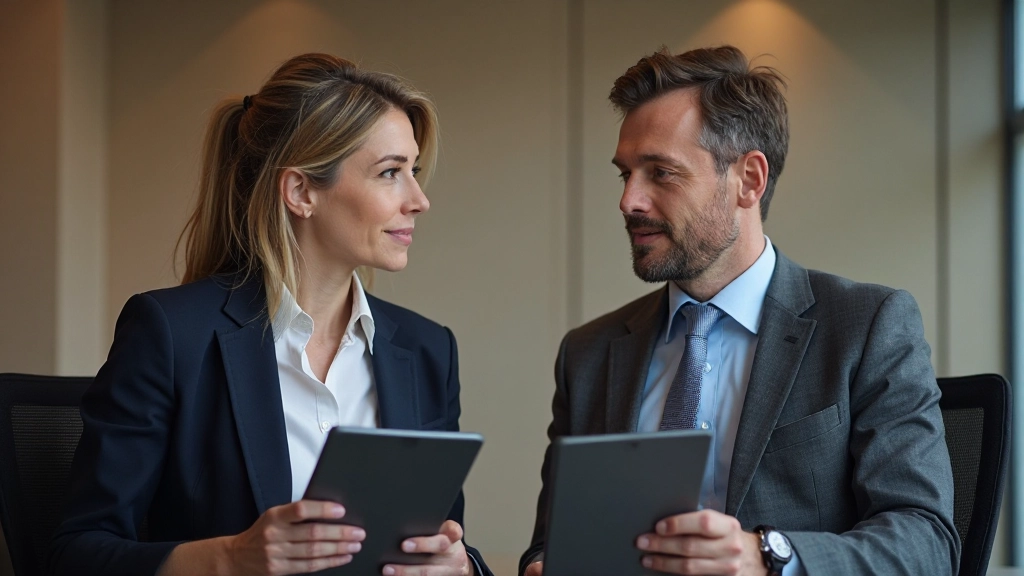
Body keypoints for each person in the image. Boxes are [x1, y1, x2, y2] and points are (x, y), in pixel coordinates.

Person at [520, 46, 958, 576]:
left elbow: (926, 540)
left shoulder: (866, 327)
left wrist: (766, 556)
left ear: (749, 179)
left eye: (661, 173)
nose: (629, 201)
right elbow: (550, 543)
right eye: (625, 174)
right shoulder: (588, 355)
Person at [49, 53, 490, 576]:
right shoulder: (170, 334)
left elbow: (445, 541)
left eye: (413, 172)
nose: (419, 200)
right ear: (301, 191)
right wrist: (232, 559)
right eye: (391, 173)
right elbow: (75, 553)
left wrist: (460, 567)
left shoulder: (427, 350)